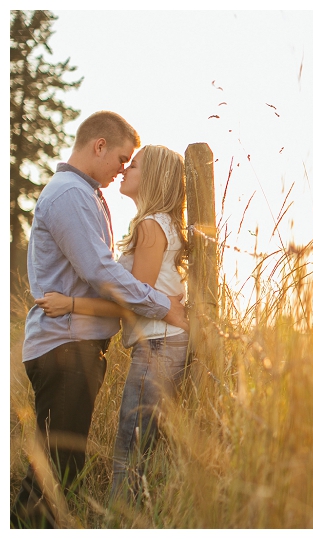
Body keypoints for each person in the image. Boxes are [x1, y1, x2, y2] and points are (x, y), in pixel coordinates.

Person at [11, 111, 187, 528]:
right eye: (122, 158)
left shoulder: (88, 194)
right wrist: (163, 305)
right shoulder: (71, 194)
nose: (123, 168)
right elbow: (101, 272)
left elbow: (103, 275)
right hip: (65, 348)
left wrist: (75, 306)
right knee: (56, 472)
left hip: (76, 347)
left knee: (62, 467)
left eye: (133, 163)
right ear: (99, 146)